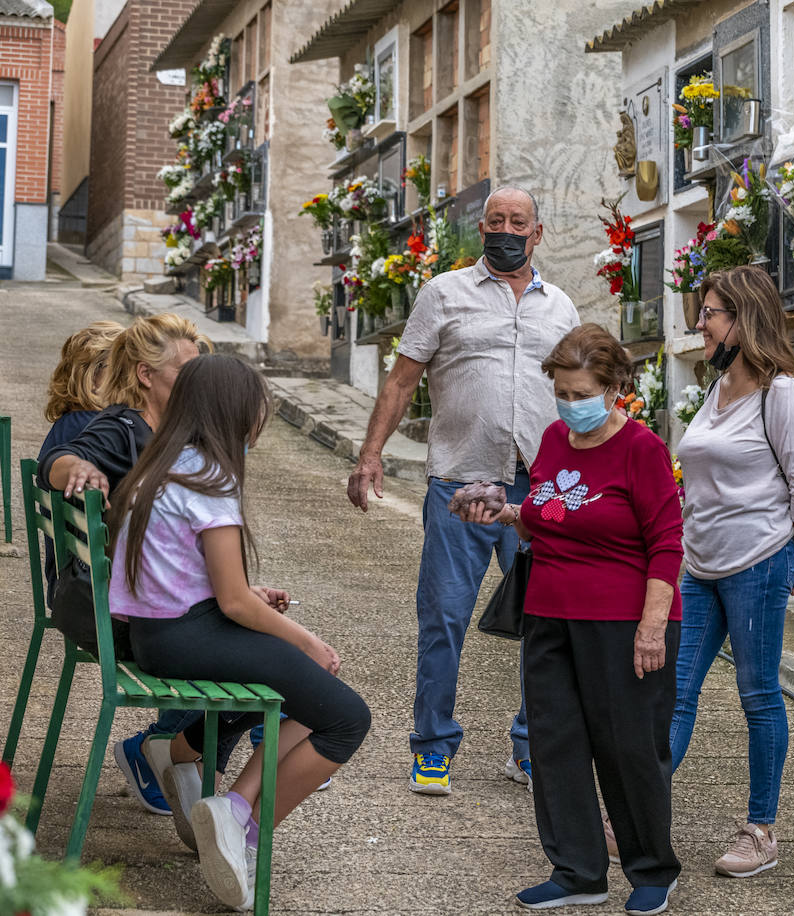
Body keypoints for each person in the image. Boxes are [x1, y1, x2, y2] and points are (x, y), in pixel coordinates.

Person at [108, 354, 370, 912]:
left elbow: (195, 578)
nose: (260, 422)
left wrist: (254, 600)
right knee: (346, 716)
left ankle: (188, 766)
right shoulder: (210, 476)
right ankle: (239, 818)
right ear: (233, 412)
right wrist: (305, 638)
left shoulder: (162, 464)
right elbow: (232, 601)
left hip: (156, 634)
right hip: (188, 636)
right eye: (258, 410)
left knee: (303, 689)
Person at [347, 186, 579, 795]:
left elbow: (580, 392)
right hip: (459, 483)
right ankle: (433, 744)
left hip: (538, 488)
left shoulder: (561, 307)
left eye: (518, 221)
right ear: (482, 228)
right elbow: (401, 382)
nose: (507, 229)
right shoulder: (443, 293)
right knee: (444, 618)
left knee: (548, 621)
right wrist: (370, 454)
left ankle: (531, 746)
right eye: (496, 220)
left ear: (538, 232)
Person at [458, 324, 683, 914]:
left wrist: (652, 626)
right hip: (549, 615)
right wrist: (504, 512)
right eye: (561, 391)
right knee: (554, 742)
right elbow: (544, 516)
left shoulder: (641, 449)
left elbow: (667, 543)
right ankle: (578, 870)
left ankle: (651, 869)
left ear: (614, 388)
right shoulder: (555, 439)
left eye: (581, 392)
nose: (569, 404)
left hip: (623, 620)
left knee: (628, 746)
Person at [37, 314, 240, 828]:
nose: (196, 387)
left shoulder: (173, 434)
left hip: (127, 602)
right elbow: (59, 458)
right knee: (284, 674)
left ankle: (185, 764)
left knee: (270, 644)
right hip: (130, 619)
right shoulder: (122, 427)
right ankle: (186, 766)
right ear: (147, 375)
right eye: (184, 373)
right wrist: (75, 468)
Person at [670, 266, 794, 877]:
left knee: (758, 697)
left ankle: (761, 831)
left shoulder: (779, 392)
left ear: (743, 320)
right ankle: (632, 811)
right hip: (699, 564)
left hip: (758, 564)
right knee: (675, 694)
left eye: (709, 313)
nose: (700, 325)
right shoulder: (717, 392)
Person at [37, 320, 123, 600]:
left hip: (72, 576)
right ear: (92, 376)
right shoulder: (94, 430)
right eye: (121, 369)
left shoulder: (73, 423)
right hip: (88, 586)